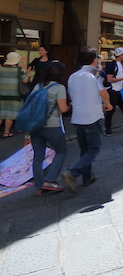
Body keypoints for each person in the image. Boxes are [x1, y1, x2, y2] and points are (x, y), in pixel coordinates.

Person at [61, 48, 113, 193]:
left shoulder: (73, 76)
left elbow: (73, 95)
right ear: (94, 60)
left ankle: (87, 176)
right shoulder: (91, 76)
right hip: (92, 116)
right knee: (95, 148)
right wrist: (107, 104)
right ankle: (72, 173)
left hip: (77, 117)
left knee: (85, 149)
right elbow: (103, 93)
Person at [30, 61, 70, 195]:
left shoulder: (37, 86)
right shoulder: (59, 88)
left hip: (35, 125)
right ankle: (50, 180)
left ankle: (39, 187)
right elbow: (63, 108)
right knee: (61, 150)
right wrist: (70, 106)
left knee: (38, 156)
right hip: (51, 124)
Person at [0, 52, 29, 137]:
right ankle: (6, 132)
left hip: (1, 94)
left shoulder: (1, 69)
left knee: (1, 113)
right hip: (15, 95)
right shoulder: (19, 70)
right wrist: (27, 73)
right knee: (10, 114)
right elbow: (25, 81)